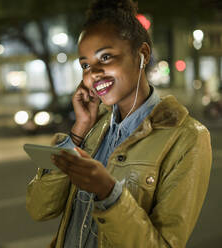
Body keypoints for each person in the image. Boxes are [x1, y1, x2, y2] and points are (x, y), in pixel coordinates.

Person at [25, 0, 212, 247]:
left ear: (142, 55)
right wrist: (78, 131)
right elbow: (39, 209)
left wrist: (109, 194)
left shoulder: (187, 138)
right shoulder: (91, 128)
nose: (93, 73)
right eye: (85, 64)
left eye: (106, 57)